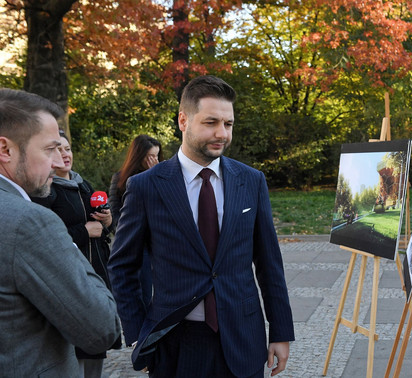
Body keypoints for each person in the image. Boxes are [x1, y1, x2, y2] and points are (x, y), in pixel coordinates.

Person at [108, 75, 294, 377]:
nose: (222, 133)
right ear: (184, 120)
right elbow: (122, 266)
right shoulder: (146, 186)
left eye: (228, 124)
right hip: (174, 343)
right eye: (210, 123)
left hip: (243, 337)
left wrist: (281, 331)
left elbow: (269, 262)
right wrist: (137, 335)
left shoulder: (251, 180)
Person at [0, 88, 121, 376]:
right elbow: (102, 328)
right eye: (49, 149)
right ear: (6, 150)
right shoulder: (29, 222)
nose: (58, 162)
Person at [32, 131, 121, 378]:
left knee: (95, 351)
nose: (65, 154)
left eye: (68, 149)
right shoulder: (45, 192)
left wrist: (107, 220)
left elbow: (101, 229)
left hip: (96, 274)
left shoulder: (82, 184)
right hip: (70, 278)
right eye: (57, 149)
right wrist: (83, 231)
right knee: (76, 353)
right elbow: (44, 239)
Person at [109, 134, 162, 305]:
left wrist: (157, 175)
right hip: (135, 241)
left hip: (159, 240)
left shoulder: (162, 176)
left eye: (157, 155)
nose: (154, 160)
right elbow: (114, 210)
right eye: (150, 156)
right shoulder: (120, 178)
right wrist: (127, 230)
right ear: (139, 156)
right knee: (141, 292)